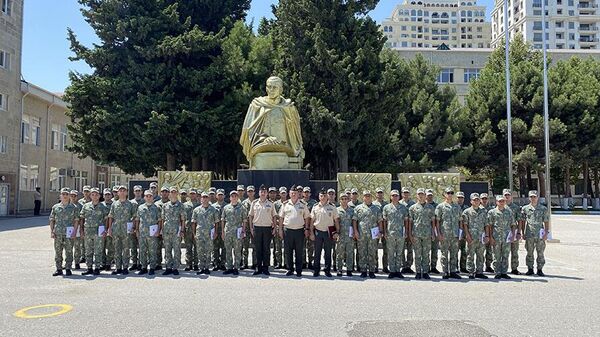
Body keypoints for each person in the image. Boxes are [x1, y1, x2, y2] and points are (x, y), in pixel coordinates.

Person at [278, 186, 310, 277]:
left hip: (299, 231)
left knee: (299, 251)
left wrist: (307, 229)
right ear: (289, 194)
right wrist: (280, 229)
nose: (293, 194)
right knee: (288, 251)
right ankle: (290, 269)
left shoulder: (303, 204)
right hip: (288, 231)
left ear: (298, 194)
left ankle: (299, 270)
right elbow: (281, 218)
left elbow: (307, 217)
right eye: (292, 193)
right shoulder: (285, 204)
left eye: (295, 193)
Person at [352, 191, 383, 278]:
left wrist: (380, 232)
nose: (367, 197)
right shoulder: (358, 208)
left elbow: (380, 221)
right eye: (365, 196)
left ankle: (372, 271)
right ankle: (363, 270)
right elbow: (355, 221)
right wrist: (355, 231)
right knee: (362, 252)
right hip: (362, 234)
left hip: (373, 234)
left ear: (371, 197)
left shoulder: (376, 208)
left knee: (372, 252)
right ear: (363, 197)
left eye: (369, 196)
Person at [107, 186, 137, 275]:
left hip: (126, 230)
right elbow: (111, 217)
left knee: (126, 249)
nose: (122, 192)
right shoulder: (114, 204)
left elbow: (135, 217)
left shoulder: (131, 204)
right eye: (120, 191)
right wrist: (109, 229)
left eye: (124, 191)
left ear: (127, 193)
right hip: (116, 229)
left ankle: (125, 267)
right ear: (118, 193)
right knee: (117, 249)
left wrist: (133, 227)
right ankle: (118, 267)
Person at [309, 189, 340, 277]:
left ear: (327, 197)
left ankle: (327, 270)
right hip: (318, 231)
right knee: (317, 252)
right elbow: (312, 221)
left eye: (324, 196)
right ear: (319, 197)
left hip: (329, 232)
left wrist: (337, 232)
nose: (323, 197)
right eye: (321, 196)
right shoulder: (315, 207)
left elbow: (336, 220)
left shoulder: (332, 207)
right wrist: (311, 233)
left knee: (328, 252)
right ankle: (316, 270)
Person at [49, 188, 79, 276]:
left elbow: (76, 221)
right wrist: (52, 231)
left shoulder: (73, 207)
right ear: (60, 196)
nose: (65, 196)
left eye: (67, 194)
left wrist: (74, 232)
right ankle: (59, 269)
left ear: (69, 196)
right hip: (58, 233)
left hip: (69, 233)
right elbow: (52, 220)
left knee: (69, 251)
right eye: (63, 194)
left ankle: (68, 268)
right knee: (58, 251)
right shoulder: (55, 207)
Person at [408, 188, 436, 280]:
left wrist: (433, 233)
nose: (421, 196)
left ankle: (425, 272)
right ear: (417, 195)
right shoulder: (412, 208)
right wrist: (410, 234)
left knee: (426, 253)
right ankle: (418, 271)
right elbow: (410, 222)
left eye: (422, 194)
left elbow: (433, 221)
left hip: (427, 233)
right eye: (419, 194)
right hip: (416, 234)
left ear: (425, 195)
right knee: (417, 253)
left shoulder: (431, 207)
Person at [249, 185, 277, 276]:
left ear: (267, 193)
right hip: (257, 228)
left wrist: (274, 228)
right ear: (259, 193)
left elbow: (274, 216)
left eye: (265, 192)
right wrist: (251, 228)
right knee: (258, 249)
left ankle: (265, 268)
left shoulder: (271, 204)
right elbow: (250, 216)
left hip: (267, 228)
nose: (263, 193)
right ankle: (258, 268)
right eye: (261, 191)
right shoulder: (254, 203)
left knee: (266, 249)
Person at [80, 188, 108, 275]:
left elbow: (107, 219)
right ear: (90, 196)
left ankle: (97, 267)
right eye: (92, 194)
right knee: (88, 250)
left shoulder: (103, 207)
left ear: (99, 196)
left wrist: (106, 230)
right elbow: (82, 218)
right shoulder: (86, 206)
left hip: (99, 231)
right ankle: (89, 268)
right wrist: (81, 229)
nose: (94, 196)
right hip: (88, 231)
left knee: (98, 250)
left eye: (96, 194)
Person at [435, 187, 462, 280]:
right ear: (444, 194)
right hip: (444, 234)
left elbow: (460, 221)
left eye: (451, 193)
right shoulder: (440, 206)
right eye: (448, 193)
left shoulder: (457, 207)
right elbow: (437, 221)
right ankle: (445, 271)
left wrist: (460, 233)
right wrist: (438, 233)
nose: (450, 194)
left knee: (454, 253)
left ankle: (453, 271)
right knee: (444, 254)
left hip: (455, 234)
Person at [487, 195, 516, 280]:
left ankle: (504, 272)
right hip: (496, 237)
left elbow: (513, 224)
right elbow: (489, 226)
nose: (501, 202)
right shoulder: (492, 212)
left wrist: (513, 235)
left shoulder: (509, 212)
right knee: (496, 256)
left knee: (505, 255)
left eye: (503, 201)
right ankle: (497, 272)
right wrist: (491, 237)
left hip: (506, 237)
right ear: (496, 202)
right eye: (500, 201)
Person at [521, 190, 550, 277]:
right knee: (529, 252)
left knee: (540, 252)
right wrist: (523, 232)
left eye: (535, 197)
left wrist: (546, 233)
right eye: (531, 197)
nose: (533, 198)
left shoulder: (543, 209)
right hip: (530, 233)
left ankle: (540, 269)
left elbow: (546, 222)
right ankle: (530, 269)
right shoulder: (525, 208)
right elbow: (523, 221)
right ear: (529, 198)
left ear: (537, 198)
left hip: (540, 234)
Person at [382, 190, 409, 279]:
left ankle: (398, 270)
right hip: (390, 234)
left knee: (399, 253)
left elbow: (406, 221)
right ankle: (392, 271)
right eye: (393, 195)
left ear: (399, 197)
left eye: (396, 195)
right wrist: (384, 232)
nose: (395, 197)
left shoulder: (403, 208)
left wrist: (406, 232)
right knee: (390, 253)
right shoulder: (386, 207)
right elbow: (385, 221)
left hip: (400, 233)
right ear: (390, 197)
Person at [461, 193, 489, 279]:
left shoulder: (484, 211)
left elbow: (486, 225)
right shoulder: (467, 211)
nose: (476, 201)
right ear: (471, 201)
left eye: (477, 199)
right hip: (471, 237)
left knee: (481, 255)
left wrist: (487, 235)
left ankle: (479, 272)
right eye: (474, 200)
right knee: (470, 255)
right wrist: (467, 235)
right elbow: (465, 225)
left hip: (481, 237)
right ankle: (471, 272)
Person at [192, 192, 220, 276]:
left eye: (206, 197)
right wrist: (194, 233)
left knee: (208, 251)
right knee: (200, 251)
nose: (204, 199)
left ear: (208, 199)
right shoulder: (196, 210)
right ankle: (201, 267)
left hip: (209, 233)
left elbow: (216, 222)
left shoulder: (213, 209)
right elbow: (193, 222)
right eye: (203, 197)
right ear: (201, 199)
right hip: (199, 233)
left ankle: (207, 267)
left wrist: (215, 232)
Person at [135, 190, 162, 275]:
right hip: (142, 232)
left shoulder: (157, 208)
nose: (148, 197)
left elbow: (160, 220)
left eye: (150, 196)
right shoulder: (140, 207)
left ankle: (152, 267)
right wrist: (137, 230)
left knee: (152, 250)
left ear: (153, 197)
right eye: (147, 196)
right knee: (142, 250)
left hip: (153, 233)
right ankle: (143, 267)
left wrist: (158, 230)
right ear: (144, 197)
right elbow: (137, 220)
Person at [160, 187, 185, 276]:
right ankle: (168, 267)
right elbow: (163, 219)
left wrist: (182, 230)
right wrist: (162, 230)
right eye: (172, 192)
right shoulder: (165, 206)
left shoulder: (181, 205)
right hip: (166, 231)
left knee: (177, 249)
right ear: (170, 194)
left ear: (177, 193)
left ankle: (175, 267)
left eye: (175, 192)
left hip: (176, 232)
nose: (173, 193)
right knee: (167, 250)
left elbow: (182, 220)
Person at [222, 190, 248, 275]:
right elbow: (223, 220)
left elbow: (244, 220)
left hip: (238, 232)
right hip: (228, 232)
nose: (234, 198)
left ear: (238, 197)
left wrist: (243, 231)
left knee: (237, 250)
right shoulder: (226, 208)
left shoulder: (242, 208)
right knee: (228, 250)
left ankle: (236, 267)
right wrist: (222, 231)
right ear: (230, 198)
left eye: (235, 196)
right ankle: (229, 267)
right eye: (232, 196)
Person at [335, 194, 355, 277]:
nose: (344, 200)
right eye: (342, 199)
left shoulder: (352, 210)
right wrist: (335, 233)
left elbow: (354, 222)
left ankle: (349, 269)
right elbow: (334, 222)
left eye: (346, 199)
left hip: (350, 235)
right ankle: (339, 269)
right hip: (340, 235)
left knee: (350, 253)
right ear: (340, 200)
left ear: (348, 200)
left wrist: (355, 232)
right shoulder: (336, 210)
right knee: (340, 253)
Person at [183, 189, 200, 271]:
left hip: (197, 229)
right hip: (187, 229)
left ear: (196, 195)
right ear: (189, 195)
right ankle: (188, 264)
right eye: (191, 194)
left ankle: (196, 264)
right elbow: (182, 218)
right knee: (188, 247)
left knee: (197, 247)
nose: (192, 195)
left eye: (194, 194)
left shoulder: (200, 204)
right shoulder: (185, 205)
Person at [400, 187, 416, 274]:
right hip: (401, 229)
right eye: (404, 192)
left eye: (407, 192)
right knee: (401, 249)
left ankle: (409, 266)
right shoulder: (399, 204)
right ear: (402, 194)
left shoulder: (413, 204)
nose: (406, 194)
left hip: (412, 229)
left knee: (410, 248)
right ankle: (403, 265)